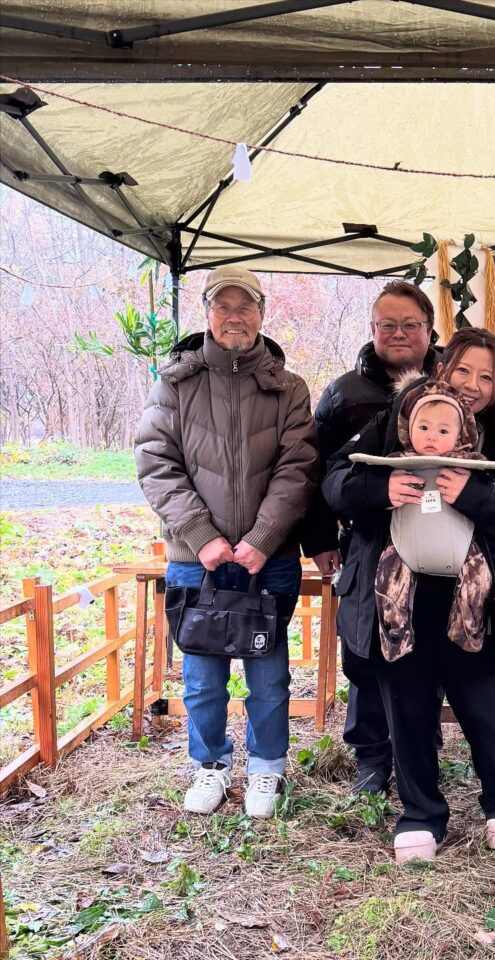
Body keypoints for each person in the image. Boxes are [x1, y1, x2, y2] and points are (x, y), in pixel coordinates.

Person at [323, 327, 495, 863]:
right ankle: (420, 814)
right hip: (398, 602)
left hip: (474, 603)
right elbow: (336, 480)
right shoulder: (399, 417)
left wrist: (475, 495)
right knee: (406, 707)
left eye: (486, 376)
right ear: (441, 369)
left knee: (485, 706)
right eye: (462, 370)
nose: (472, 384)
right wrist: (378, 490)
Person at [135, 265, 317, 818]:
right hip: (197, 560)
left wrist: (263, 537)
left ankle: (267, 768)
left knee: (269, 673)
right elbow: (156, 463)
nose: (234, 317)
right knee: (202, 677)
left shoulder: (288, 388)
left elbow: (298, 468)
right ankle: (209, 764)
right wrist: (202, 536)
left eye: (245, 307)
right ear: (207, 314)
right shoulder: (175, 382)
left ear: (262, 314)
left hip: (269, 559)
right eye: (223, 306)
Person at [301, 280, 441, 795]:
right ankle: (371, 756)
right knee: (365, 651)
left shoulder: (450, 386)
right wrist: (319, 539)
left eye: (410, 324)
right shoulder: (344, 394)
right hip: (367, 542)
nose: (399, 333)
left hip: (434, 546)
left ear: (430, 331)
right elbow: (315, 471)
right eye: (388, 325)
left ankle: (420, 750)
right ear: (372, 330)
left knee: (425, 648)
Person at [370, 378, 495, 662]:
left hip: (461, 547)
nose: (431, 437)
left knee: (479, 580)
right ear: (409, 428)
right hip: (405, 544)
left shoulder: (472, 464)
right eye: (424, 428)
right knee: (387, 578)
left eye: (443, 431)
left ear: (460, 434)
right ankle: (396, 638)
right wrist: (381, 487)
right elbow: (363, 477)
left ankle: (466, 631)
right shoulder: (395, 463)